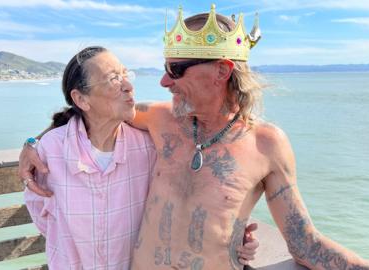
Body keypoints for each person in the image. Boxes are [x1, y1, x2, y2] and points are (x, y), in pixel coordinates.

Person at [21, 5, 369, 270]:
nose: (164, 82)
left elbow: (306, 244)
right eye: (164, 69)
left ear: (221, 71)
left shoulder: (266, 145)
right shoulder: (161, 118)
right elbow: (91, 112)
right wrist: (33, 143)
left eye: (175, 70)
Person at [22, 46, 259, 270]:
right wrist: (32, 143)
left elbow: (180, 206)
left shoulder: (148, 147)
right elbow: (43, 218)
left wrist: (230, 234)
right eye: (114, 78)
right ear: (82, 99)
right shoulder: (49, 152)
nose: (128, 86)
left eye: (126, 74)